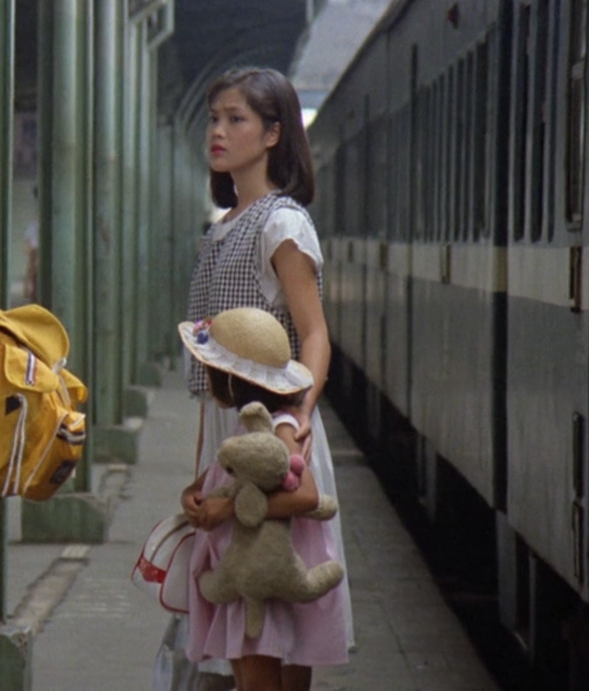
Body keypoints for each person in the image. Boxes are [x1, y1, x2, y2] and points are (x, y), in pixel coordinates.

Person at [175, 67, 353, 691]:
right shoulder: (224, 226)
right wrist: (202, 475)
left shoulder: (282, 223)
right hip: (231, 434)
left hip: (277, 435)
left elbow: (315, 332)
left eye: (236, 119)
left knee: (275, 623)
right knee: (262, 624)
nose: (218, 132)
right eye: (213, 118)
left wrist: (299, 414)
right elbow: (213, 381)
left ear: (274, 133)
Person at [177, 308, 346, 691]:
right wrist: (193, 495)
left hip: (261, 577)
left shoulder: (282, 428)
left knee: (258, 680)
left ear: (232, 379)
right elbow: (218, 477)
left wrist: (228, 509)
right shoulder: (247, 428)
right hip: (242, 574)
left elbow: (306, 495)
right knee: (248, 676)